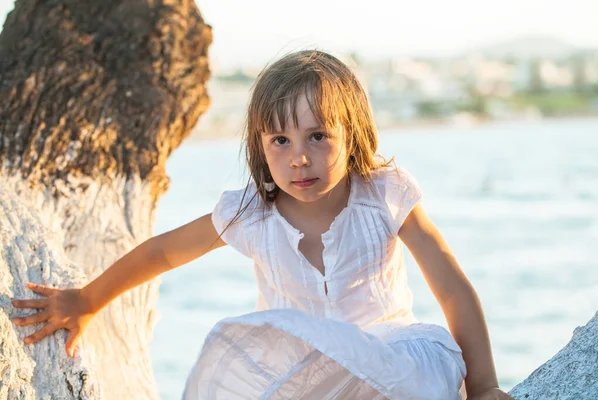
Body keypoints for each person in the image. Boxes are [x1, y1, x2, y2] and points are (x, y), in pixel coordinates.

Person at [12, 50, 512, 400]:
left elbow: (450, 286)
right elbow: (162, 253)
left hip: (391, 362)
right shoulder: (251, 212)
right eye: (280, 140)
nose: (299, 158)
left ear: (352, 134)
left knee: (421, 382)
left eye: (318, 136)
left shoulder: (383, 193)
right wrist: (88, 300)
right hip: (304, 379)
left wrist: (485, 386)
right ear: (260, 145)